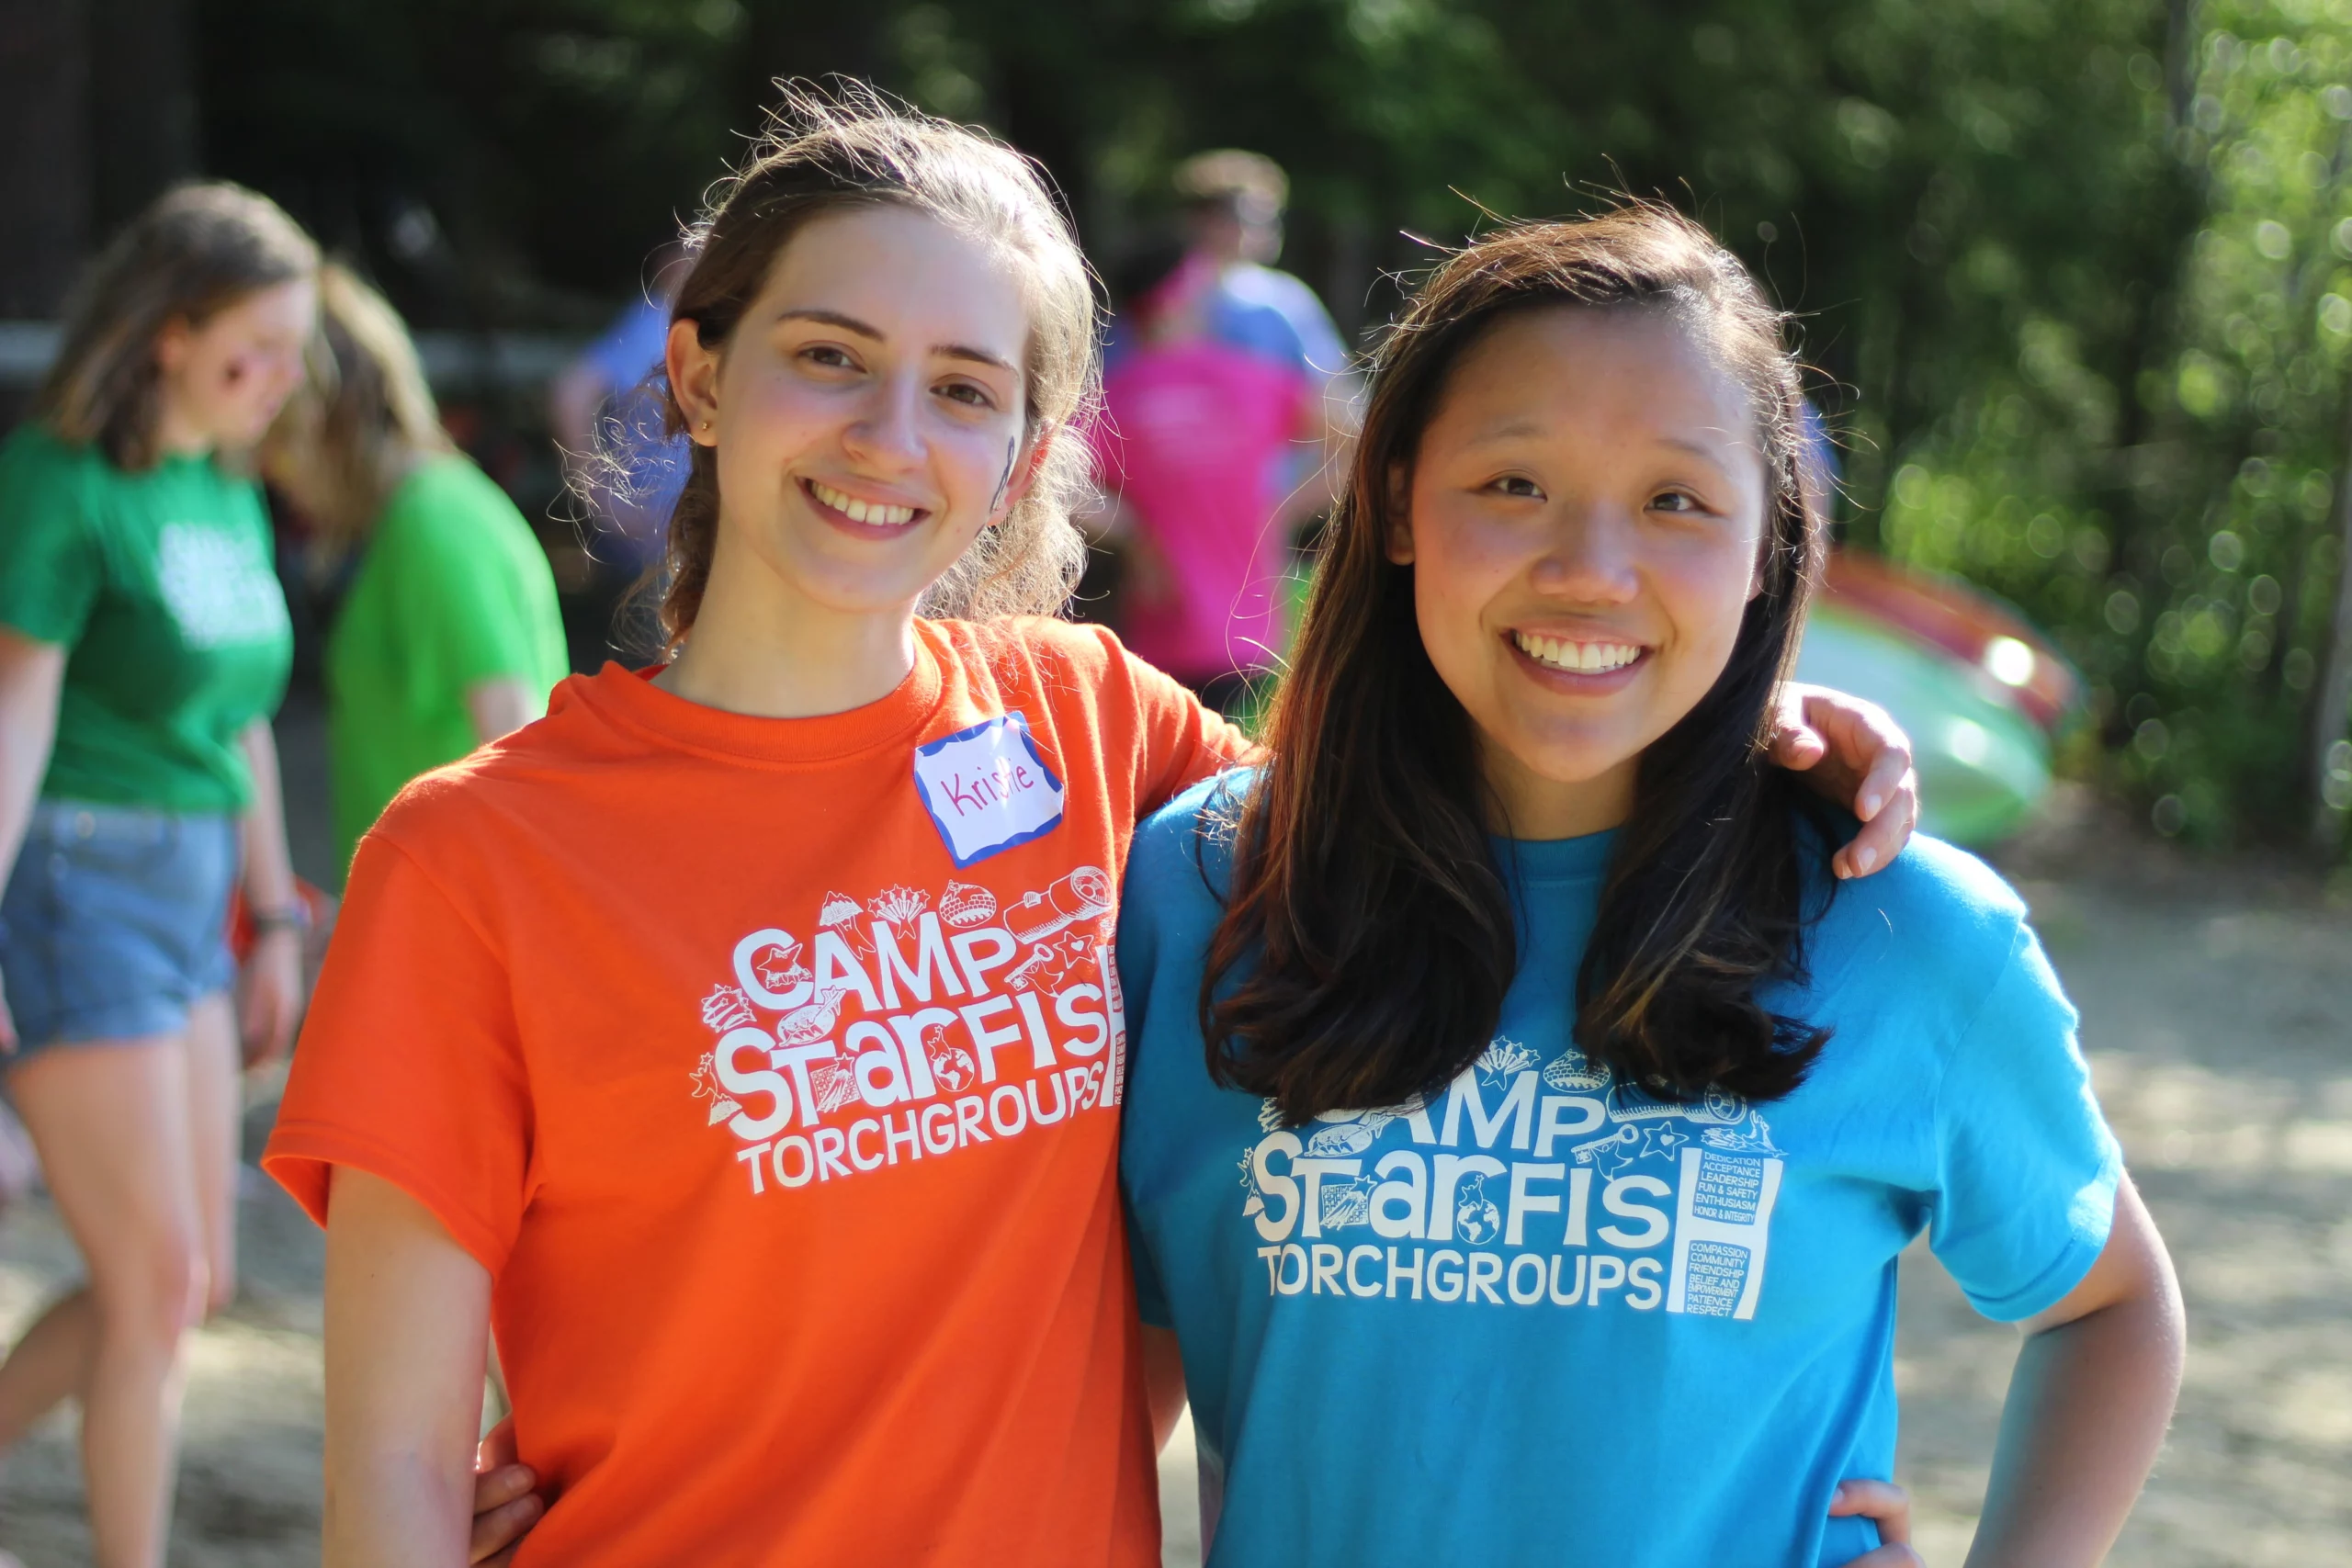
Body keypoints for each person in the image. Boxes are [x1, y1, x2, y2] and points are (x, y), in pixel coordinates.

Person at [266, 89, 1917, 1567]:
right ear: (701, 372)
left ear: (1029, 449)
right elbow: (397, 1465)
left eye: (965, 388)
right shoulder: (472, 861)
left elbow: (1461, 802)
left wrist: (1751, 730)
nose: (890, 436)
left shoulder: (1092, 730)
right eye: (829, 354)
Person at [1115, 207, 2186, 1566]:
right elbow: (1117, 1360)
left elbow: (2110, 1303)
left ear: (1767, 545)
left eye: (1678, 500)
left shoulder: (1903, 921)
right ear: (1393, 502)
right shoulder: (1197, 888)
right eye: (1514, 484)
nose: (1590, 570)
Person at [0, 182, 317, 1568]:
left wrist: (277, 913)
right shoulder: (59, 482)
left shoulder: (221, 489)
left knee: (195, 1278)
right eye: (256, 348)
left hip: (201, 889)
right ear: (168, 332)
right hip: (81, 878)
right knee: (157, 1282)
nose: (283, 382)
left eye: (295, 351)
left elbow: (240, 713)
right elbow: (10, 717)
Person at [264, 263, 570, 877]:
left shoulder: (433, 523)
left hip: (445, 929)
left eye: (275, 435)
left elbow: (516, 744)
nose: (268, 469)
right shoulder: (412, 516)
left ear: (326, 419)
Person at [1092, 238, 1323, 710]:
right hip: (1255, 638)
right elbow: (1357, 439)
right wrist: (1283, 507)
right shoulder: (1257, 380)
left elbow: (1053, 481)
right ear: (1187, 297)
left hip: (1156, 643)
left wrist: (1135, 533)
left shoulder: (1113, 398)